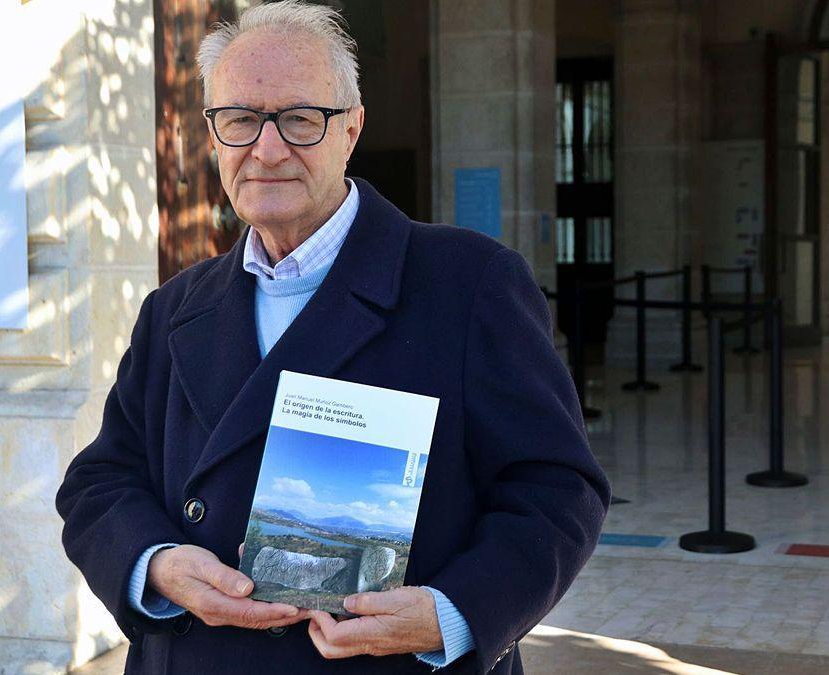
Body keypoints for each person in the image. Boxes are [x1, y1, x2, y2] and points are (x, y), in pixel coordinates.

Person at [55, 3, 609, 673]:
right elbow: (101, 480)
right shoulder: (174, 306)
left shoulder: (468, 284)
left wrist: (455, 611)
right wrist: (156, 563)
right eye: (239, 120)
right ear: (213, 134)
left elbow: (557, 489)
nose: (266, 148)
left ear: (351, 128)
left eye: (298, 118)